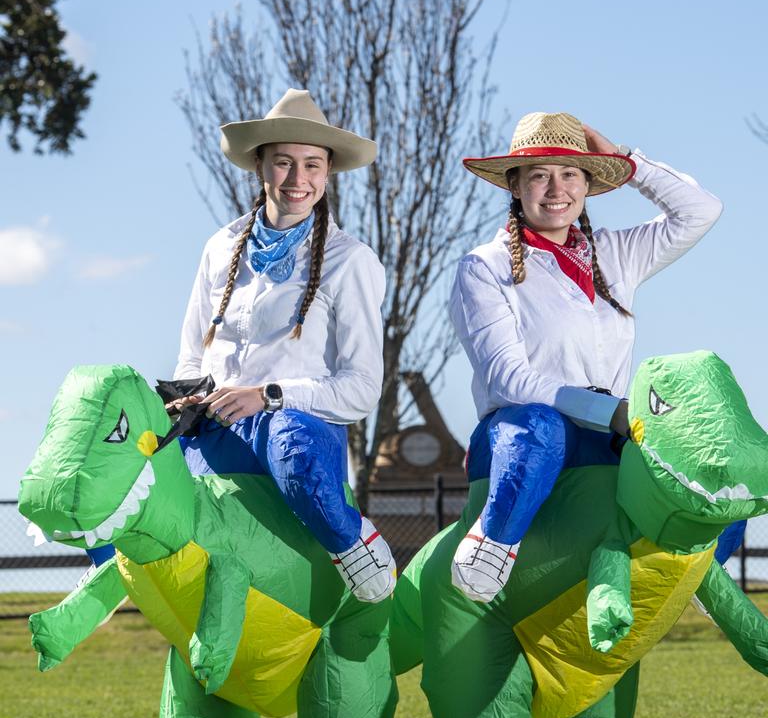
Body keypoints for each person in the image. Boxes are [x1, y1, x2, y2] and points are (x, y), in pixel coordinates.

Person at [450, 111, 723, 602]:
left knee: (703, 460)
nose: (557, 189)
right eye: (539, 175)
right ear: (514, 185)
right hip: (518, 433)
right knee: (541, 425)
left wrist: (628, 163)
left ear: (589, 183)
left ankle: (694, 577)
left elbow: (700, 211)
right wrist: (609, 411)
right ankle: (494, 543)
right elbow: (508, 379)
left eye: (570, 173)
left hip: (602, 435)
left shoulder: (617, 254)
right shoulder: (483, 267)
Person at [170, 88, 396, 603]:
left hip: (298, 440)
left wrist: (268, 395)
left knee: (287, 436)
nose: (299, 180)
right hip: (217, 434)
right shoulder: (220, 246)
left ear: (329, 171)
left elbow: (361, 390)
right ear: (259, 165)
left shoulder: (351, 261)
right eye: (284, 163)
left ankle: (351, 541)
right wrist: (185, 397)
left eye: (313, 165)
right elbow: (191, 353)